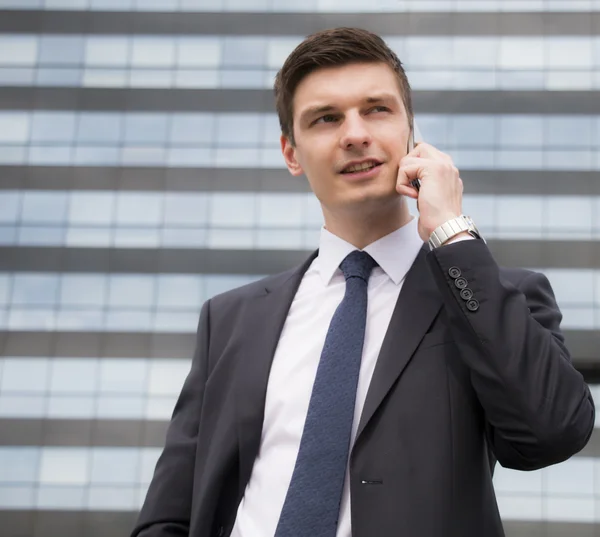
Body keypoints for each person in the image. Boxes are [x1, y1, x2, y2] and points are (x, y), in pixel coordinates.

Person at [131, 27, 595, 537]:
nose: (355, 133)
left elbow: (552, 431)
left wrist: (451, 231)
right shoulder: (230, 319)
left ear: (411, 136)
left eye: (377, 109)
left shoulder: (488, 293)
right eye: (326, 118)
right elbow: (171, 511)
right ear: (291, 153)